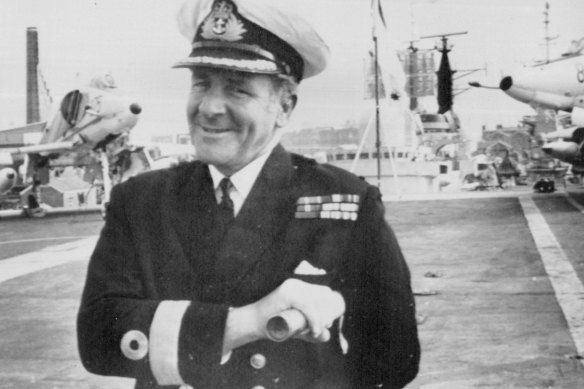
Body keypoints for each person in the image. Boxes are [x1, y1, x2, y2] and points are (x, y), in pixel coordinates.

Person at [77, 1, 420, 388]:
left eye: (238, 90)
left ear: (285, 106)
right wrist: (247, 322)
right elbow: (97, 338)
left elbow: (392, 359)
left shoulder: (347, 202)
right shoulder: (140, 201)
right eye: (201, 83)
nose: (209, 108)